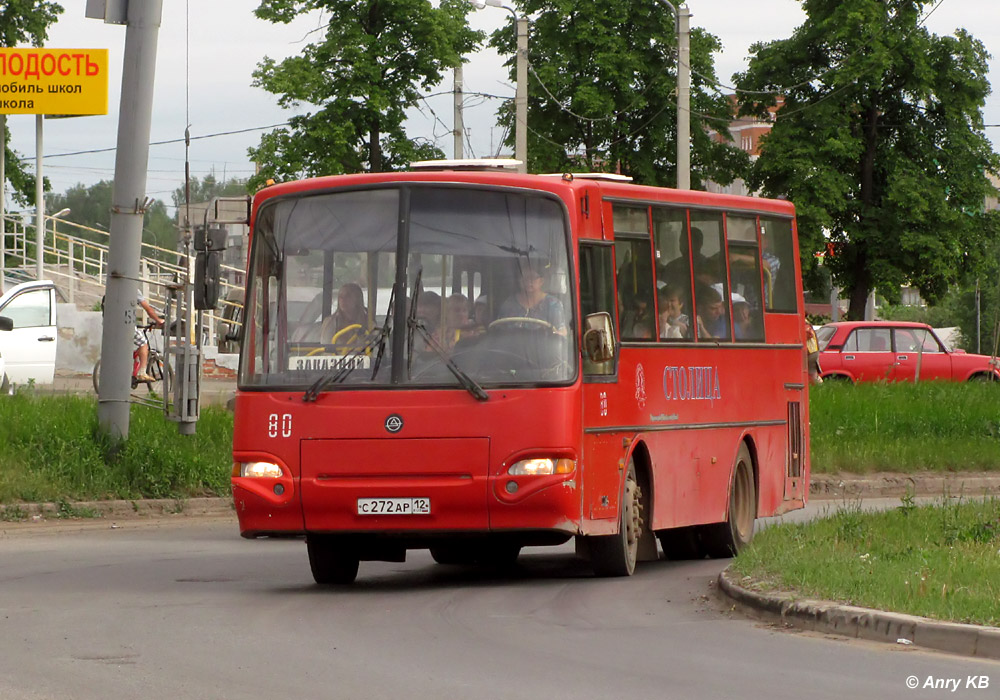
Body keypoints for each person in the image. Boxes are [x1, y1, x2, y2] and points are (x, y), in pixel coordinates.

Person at [498, 266, 567, 335]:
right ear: (519, 281)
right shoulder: (509, 304)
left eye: (533, 277)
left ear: (541, 281)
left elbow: (561, 332)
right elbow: (499, 331)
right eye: (524, 278)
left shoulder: (553, 304)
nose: (528, 281)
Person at [135, 292, 164, 381]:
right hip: (125, 323)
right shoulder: (134, 289)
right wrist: (158, 320)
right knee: (143, 343)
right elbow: (148, 309)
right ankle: (142, 372)